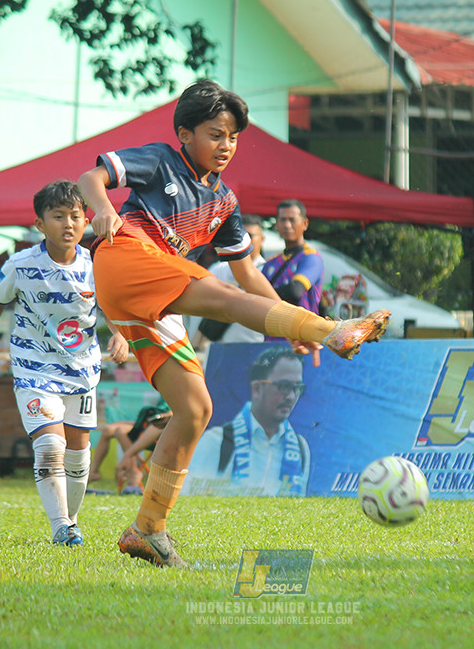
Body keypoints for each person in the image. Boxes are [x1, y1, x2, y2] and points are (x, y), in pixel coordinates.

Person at [78, 79, 389, 567]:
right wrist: (101, 209)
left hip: (149, 296)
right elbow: (90, 177)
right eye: (215, 134)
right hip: (125, 259)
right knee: (219, 295)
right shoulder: (161, 160)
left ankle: (146, 530)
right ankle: (333, 329)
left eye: (232, 137)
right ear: (185, 133)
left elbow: (250, 274)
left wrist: (291, 327)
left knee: (196, 408)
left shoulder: (225, 204)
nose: (226, 146)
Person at [0, 180, 128, 546]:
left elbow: (110, 306)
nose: (68, 224)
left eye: (76, 216)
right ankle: (61, 527)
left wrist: (120, 334)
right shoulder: (21, 265)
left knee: (77, 450)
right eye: (58, 217)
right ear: (39, 224)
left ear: (86, 220)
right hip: (34, 368)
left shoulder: (96, 263)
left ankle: (69, 520)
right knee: (50, 446)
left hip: (82, 370)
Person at [189, 346, 310, 496]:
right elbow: (191, 499)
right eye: (284, 386)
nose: (291, 396)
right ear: (257, 389)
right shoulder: (215, 442)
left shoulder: (300, 448)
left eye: (297, 388)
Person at [192, 215, 266, 346]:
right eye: (243, 235)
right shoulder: (219, 268)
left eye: (250, 235)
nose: (246, 240)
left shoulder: (267, 270)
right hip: (217, 348)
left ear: (262, 239)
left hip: (253, 345)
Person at [261, 200, 324, 323]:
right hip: (271, 337)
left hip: (302, 337)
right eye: (283, 220)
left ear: (305, 223)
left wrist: (262, 296)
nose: (287, 225)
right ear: (277, 224)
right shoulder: (270, 263)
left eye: (292, 220)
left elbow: (295, 291)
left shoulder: (311, 257)